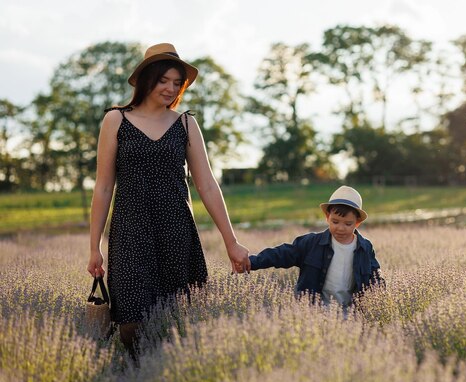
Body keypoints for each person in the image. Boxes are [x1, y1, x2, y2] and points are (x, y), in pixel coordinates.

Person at [87, 43, 250, 359]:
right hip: (131, 232)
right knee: (131, 325)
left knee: (178, 320)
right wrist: (94, 247)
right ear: (148, 78)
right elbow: (103, 187)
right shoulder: (115, 120)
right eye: (165, 80)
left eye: (177, 83)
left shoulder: (186, 123)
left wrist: (232, 241)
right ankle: (134, 380)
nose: (171, 88)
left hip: (176, 230)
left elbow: (207, 185)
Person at [247, 185, 383, 308]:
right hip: (314, 312)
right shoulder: (311, 243)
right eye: (335, 222)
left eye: (348, 224)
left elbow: (375, 275)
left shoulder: (365, 248)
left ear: (357, 223)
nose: (341, 228)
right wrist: (251, 262)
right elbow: (281, 254)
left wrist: (380, 294)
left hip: (350, 313)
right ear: (327, 217)